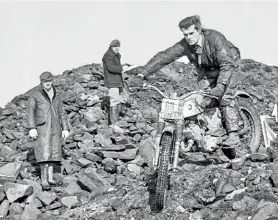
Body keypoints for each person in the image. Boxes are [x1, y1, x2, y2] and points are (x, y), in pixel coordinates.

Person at [136, 15, 242, 147]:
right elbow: (165, 56)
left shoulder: (215, 39)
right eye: (185, 34)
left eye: (191, 33)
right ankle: (207, 132)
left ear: (199, 30)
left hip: (229, 65)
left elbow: (227, 64)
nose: (188, 37)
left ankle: (233, 134)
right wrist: (143, 72)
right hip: (207, 71)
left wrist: (220, 86)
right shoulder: (185, 44)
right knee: (199, 98)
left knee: (225, 96)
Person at [26, 71, 69, 190]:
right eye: (45, 81)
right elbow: (30, 111)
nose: (47, 83)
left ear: (52, 81)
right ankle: (44, 180)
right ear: (41, 82)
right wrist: (32, 128)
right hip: (42, 127)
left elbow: (62, 112)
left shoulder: (57, 95)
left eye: (49, 81)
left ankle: (50, 178)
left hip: (55, 127)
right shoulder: (35, 94)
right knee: (44, 153)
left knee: (53, 153)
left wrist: (65, 128)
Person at [102, 39, 129, 126]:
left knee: (124, 96)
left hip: (118, 81)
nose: (117, 49)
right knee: (114, 100)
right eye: (115, 47)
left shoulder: (116, 55)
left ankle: (119, 116)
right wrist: (122, 69)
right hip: (112, 82)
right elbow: (110, 68)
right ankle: (114, 123)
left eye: (118, 47)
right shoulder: (108, 55)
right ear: (111, 47)